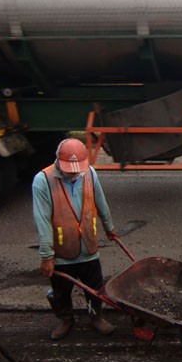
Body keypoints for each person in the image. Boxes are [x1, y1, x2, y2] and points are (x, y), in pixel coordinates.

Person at [32, 137, 118, 340]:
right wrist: (47, 255)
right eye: (69, 169)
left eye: (76, 168)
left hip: (88, 246)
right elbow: (42, 219)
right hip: (62, 251)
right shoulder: (42, 181)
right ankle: (65, 319)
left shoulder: (89, 173)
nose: (73, 173)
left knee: (96, 289)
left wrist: (109, 227)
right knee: (61, 292)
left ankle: (96, 317)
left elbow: (100, 201)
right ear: (58, 161)